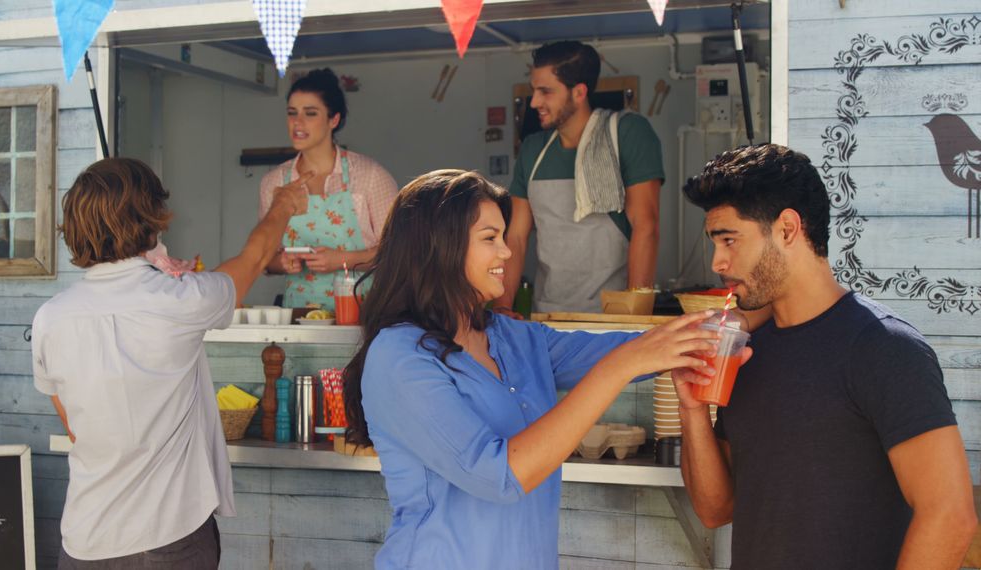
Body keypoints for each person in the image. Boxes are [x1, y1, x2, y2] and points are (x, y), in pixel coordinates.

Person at [342, 169, 720, 569]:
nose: (506, 253)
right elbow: (497, 475)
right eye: (490, 239)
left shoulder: (512, 338)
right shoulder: (399, 357)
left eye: (504, 237)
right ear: (438, 247)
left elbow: (629, 351)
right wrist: (621, 369)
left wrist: (736, 322)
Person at [673, 144, 977, 569]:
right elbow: (715, 509)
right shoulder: (746, 351)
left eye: (729, 240)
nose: (718, 261)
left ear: (787, 229)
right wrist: (690, 407)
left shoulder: (883, 347)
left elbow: (950, 517)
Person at [31, 158, 307, 568]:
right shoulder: (182, 300)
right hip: (169, 540)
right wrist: (283, 204)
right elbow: (252, 261)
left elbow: (73, 425)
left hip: (85, 539)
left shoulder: (50, 317)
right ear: (152, 221)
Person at [496, 41, 665, 315]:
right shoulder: (532, 149)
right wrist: (502, 308)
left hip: (612, 317)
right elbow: (515, 238)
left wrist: (634, 318)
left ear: (579, 92)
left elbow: (646, 226)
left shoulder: (627, 134)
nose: (535, 102)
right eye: (533, 91)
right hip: (547, 315)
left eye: (545, 92)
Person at [258, 68, 399, 309]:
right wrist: (281, 263)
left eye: (310, 113)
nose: (297, 123)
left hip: (364, 316)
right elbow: (263, 257)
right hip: (300, 316)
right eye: (292, 113)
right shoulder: (275, 182)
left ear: (333, 119)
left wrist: (342, 260)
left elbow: (398, 252)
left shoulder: (369, 175)